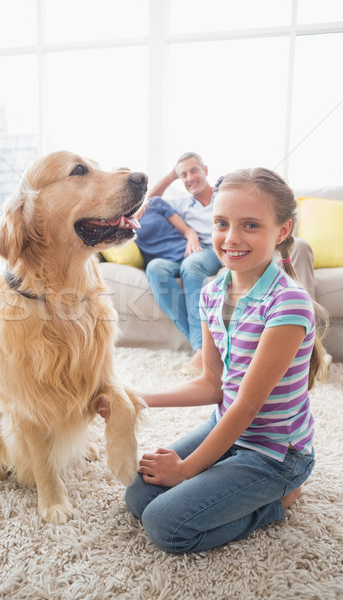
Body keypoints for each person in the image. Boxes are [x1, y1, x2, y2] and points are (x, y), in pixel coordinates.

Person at [118, 167, 329, 554]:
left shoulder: (289, 303)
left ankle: (280, 499)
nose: (231, 238)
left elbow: (247, 406)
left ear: (282, 231)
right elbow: (212, 384)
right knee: (138, 496)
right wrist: (137, 396)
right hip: (227, 427)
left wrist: (186, 470)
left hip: (276, 454)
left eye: (250, 225)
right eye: (221, 223)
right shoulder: (213, 292)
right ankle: (223, 478)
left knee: (165, 526)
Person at [139, 152, 222, 372]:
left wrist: (192, 235)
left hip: (213, 250)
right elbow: (149, 201)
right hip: (188, 254)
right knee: (155, 267)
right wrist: (171, 176)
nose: (189, 178)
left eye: (193, 171)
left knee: (191, 265)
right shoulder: (182, 204)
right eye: (183, 174)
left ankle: (203, 352)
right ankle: (203, 350)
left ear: (205, 171)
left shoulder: (225, 196)